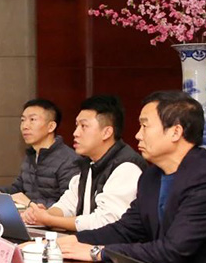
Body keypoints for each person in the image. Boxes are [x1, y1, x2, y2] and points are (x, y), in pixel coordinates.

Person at [59, 91, 206, 263]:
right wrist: (65, 243)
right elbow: (125, 230)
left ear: (175, 132)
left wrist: (99, 252)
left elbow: (171, 251)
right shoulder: (151, 176)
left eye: (145, 126)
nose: (138, 135)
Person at [22, 95, 146, 232]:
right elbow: (68, 204)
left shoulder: (126, 167)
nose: (75, 133)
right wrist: (43, 214)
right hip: (87, 241)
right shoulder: (88, 163)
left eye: (84, 126)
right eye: (77, 126)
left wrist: (49, 220)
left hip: (110, 244)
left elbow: (105, 222)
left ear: (106, 132)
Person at [0, 99, 79, 207]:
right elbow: (19, 187)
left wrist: (31, 204)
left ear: (51, 126)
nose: (25, 126)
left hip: (48, 216)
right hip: (29, 214)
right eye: (23, 120)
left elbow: (70, 205)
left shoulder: (69, 160)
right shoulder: (31, 155)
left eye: (32, 119)